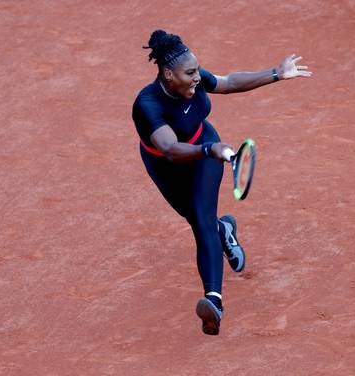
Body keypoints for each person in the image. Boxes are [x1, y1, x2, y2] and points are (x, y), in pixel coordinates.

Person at [132, 29, 311, 335]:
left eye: (196, 71)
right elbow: (170, 150)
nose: (196, 78)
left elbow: (228, 83)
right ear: (167, 74)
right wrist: (207, 150)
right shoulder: (147, 105)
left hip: (206, 149)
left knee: (201, 222)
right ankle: (225, 229)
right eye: (189, 73)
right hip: (167, 164)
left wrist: (276, 74)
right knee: (195, 217)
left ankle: (213, 301)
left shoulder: (194, 78)